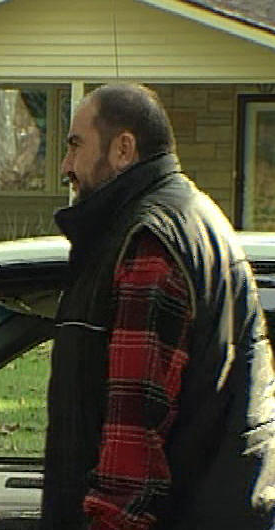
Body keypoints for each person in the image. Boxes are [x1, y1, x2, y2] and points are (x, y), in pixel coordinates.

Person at [42, 83, 275, 530]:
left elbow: (132, 445)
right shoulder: (200, 219)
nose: (65, 166)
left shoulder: (149, 244)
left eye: (75, 145)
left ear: (123, 149)